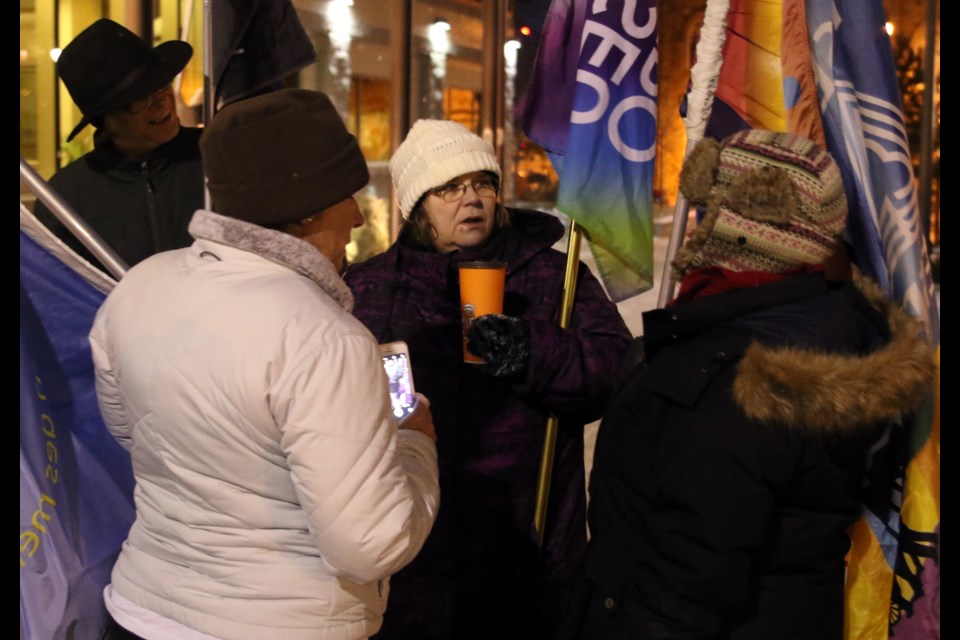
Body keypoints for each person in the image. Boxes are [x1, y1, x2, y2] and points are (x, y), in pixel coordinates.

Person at [89, 89, 440, 640]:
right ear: (306, 209)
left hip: (140, 612)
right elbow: (369, 546)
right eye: (346, 195)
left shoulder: (139, 286)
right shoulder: (327, 340)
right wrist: (415, 448)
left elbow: (133, 434)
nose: (355, 218)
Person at [561, 130, 935, 640]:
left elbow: (686, 581)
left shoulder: (739, 376)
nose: (696, 219)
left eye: (710, 204)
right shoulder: (832, 320)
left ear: (742, 223)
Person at [345, 119, 632, 639]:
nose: (471, 198)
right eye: (450, 188)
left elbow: (614, 371)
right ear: (417, 205)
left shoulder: (552, 277)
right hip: (413, 547)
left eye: (482, 183)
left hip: (526, 544)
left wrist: (533, 350)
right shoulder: (369, 286)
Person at [34, 19, 204, 269]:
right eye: (138, 98)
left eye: (161, 85)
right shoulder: (66, 197)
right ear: (105, 118)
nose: (160, 102)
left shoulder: (215, 156)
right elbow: (58, 292)